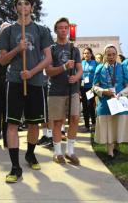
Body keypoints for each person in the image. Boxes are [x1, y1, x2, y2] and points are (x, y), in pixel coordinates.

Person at [0, 0, 52, 183]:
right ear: (15, 8)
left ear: (32, 7)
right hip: (14, 82)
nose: (23, 7)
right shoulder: (8, 31)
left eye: (26, 4)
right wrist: (17, 49)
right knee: (12, 123)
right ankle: (15, 167)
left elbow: (48, 58)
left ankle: (30, 153)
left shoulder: (42, 30)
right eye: (19, 4)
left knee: (34, 123)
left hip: (35, 83)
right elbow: (3, 60)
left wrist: (32, 72)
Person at [46, 17, 82, 165]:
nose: (63, 30)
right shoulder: (51, 49)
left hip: (72, 90)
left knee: (74, 119)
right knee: (58, 121)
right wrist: (64, 67)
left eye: (66, 27)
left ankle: (70, 151)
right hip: (56, 90)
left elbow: (80, 69)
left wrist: (76, 77)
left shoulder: (74, 49)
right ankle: (57, 152)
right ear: (56, 30)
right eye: (60, 27)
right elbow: (48, 71)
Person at [93, 44, 128, 160]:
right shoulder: (100, 68)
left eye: (113, 54)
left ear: (116, 55)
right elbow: (95, 86)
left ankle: (116, 146)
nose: (111, 57)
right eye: (109, 55)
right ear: (105, 55)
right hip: (105, 103)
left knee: (118, 125)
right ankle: (110, 151)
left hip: (119, 101)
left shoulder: (122, 67)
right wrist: (103, 91)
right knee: (108, 126)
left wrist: (121, 94)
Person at [79, 47, 97, 132]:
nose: (86, 55)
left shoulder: (95, 63)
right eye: (85, 53)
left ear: (91, 54)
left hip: (91, 88)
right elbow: (78, 75)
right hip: (83, 87)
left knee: (90, 105)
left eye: (88, 53)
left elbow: (97, 75)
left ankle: (93, 124)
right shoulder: (81, 63)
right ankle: (86, 126)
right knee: (85, 107)